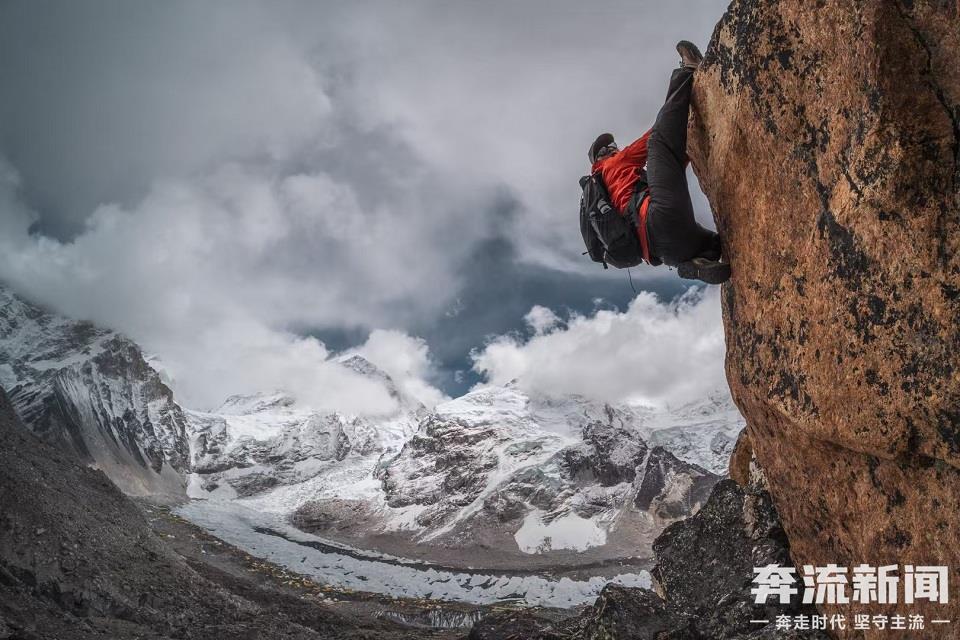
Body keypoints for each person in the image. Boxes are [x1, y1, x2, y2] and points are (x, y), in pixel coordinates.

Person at [587, 41, 730, 284]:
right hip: (657, 217)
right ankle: (687, 71)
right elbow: (656, 137)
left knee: (717, 244)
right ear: (599, 159)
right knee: (658, 142)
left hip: (665, 252)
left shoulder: (612, 195)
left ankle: (694, 264)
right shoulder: (610, 166)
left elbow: (670, 170)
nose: (613, 148)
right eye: (608, 148)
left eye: (612, 146)